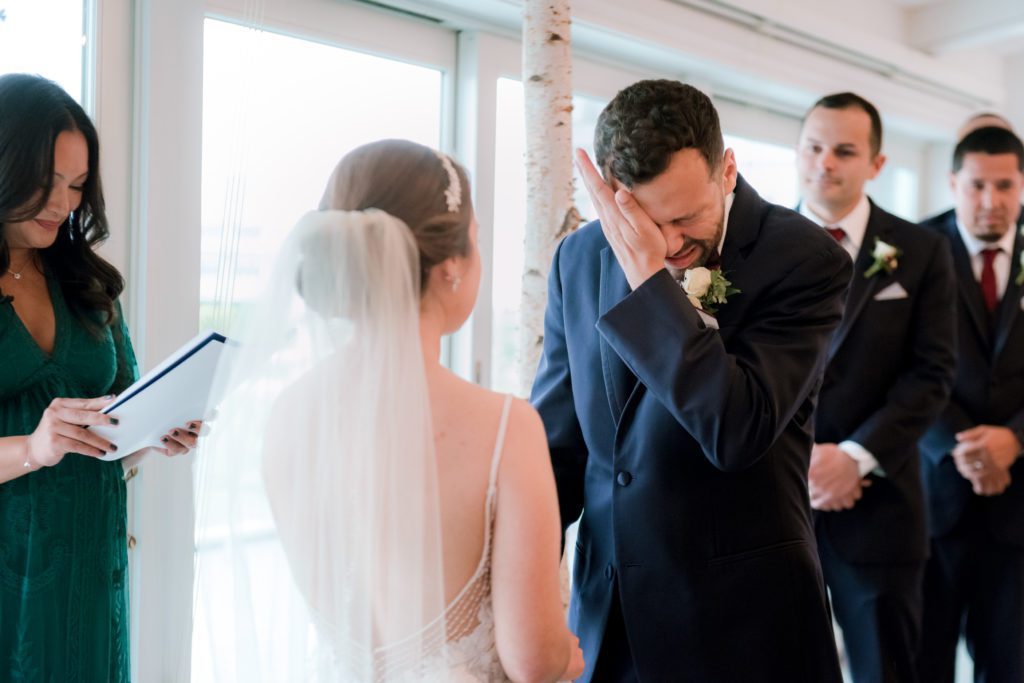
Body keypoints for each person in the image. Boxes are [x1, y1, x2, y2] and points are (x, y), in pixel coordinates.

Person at [194, 139, 584, 682]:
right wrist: (568, 652)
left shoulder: (288, 415)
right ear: (451, 266)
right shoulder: (504, 428)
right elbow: (534, 661)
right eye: (476, 240)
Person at [531, 79, 850, 682]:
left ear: (727, 170)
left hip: (743, 625)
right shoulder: (578, 258)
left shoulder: (806, 260)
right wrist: (522, 589)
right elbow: (561, 448)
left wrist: (652, 282)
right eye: (646, 223)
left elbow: (738, 430)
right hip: (609, 620)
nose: (671, 244)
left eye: (685, 218)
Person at [0, 73, 198, 680]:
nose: (63, 204)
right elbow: (45, 446)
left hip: (89, 568)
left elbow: (114, 434)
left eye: (78, 185)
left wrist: (148, 434)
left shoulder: (88, 283)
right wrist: (35, 447)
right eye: (46, 182)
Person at [796, 92, 957, 683]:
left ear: (876, 164)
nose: (825, 163)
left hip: (882, 510)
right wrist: (804, 462)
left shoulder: (921, 250)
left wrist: (855, 459)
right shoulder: (751, 247)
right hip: (778, 508)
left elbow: (933, 373)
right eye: (814, 147)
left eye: (844, 151)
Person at [917, 126, 1024, 683]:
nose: (990, 200)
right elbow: (893, 363)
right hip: (932, 501)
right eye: (978, 184)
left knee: (1010, 663)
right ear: (954, 181)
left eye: (1005, 185)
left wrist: (1016, 438)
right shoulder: (911, 251)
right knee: (923, 660)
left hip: (1020, 507)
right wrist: (960, 445)